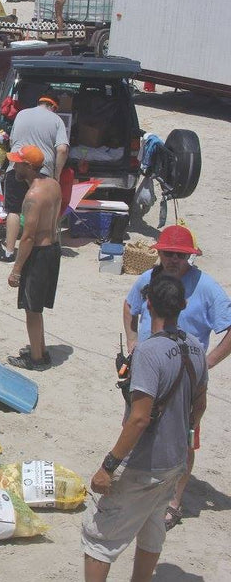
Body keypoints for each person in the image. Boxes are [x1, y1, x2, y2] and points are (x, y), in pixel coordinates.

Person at [83, 275, 207, 582]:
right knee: (152, 529)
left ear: (148, 305)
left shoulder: (148, 352)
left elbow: (139, 418)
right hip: (175, 462)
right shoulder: (195, 347)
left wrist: (107, 467)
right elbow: (200, 405)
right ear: (183, 306)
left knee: (98, 538)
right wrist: (182, 433)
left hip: (143, 465)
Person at [122, 225, 231, 530]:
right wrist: (132, 341)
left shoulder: (206, 288)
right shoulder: (149, 279)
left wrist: (207, 363)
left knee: (185, 439)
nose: (172, 260)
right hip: (146, 368)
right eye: (168, 253)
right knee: (135, 425)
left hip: (184, 376)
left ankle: (174, 503)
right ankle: (137, 489)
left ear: (190, 257)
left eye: (180, 256)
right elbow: (130, 305)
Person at [5, 145, 63, 371]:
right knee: (36, 307)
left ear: (28, 167)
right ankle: (41, 349)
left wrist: (16, 269)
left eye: (17, 163)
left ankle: (37, 359)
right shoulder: (54, 185)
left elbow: (28, 236)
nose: (14, 165)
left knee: (31, 308)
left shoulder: (33, 196)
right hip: (53, 249)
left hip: (38, 253)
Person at [0, 94, 69, 263]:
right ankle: (40, 249)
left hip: (17, 166)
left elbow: (12, 140)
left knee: (13, 210)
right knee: (43, 213)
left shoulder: (21, 114)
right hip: (41, 170)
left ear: (39, 102)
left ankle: (9, 251)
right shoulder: (57, 120)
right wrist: (56, 174)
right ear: (54, 107)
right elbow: (63, 149)